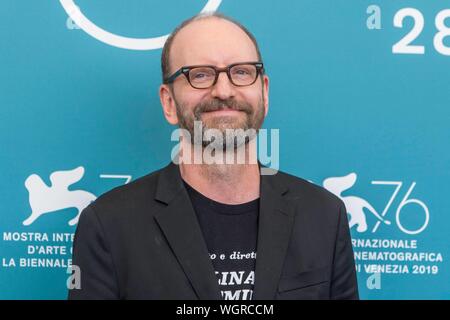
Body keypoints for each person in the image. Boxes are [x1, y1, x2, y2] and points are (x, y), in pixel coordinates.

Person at [68, 12, 358, 300]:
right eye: (200, 75)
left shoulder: (324, 216)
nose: (223, 90)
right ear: (169, 102)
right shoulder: (109, 225)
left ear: (265, 93)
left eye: (242, 72)